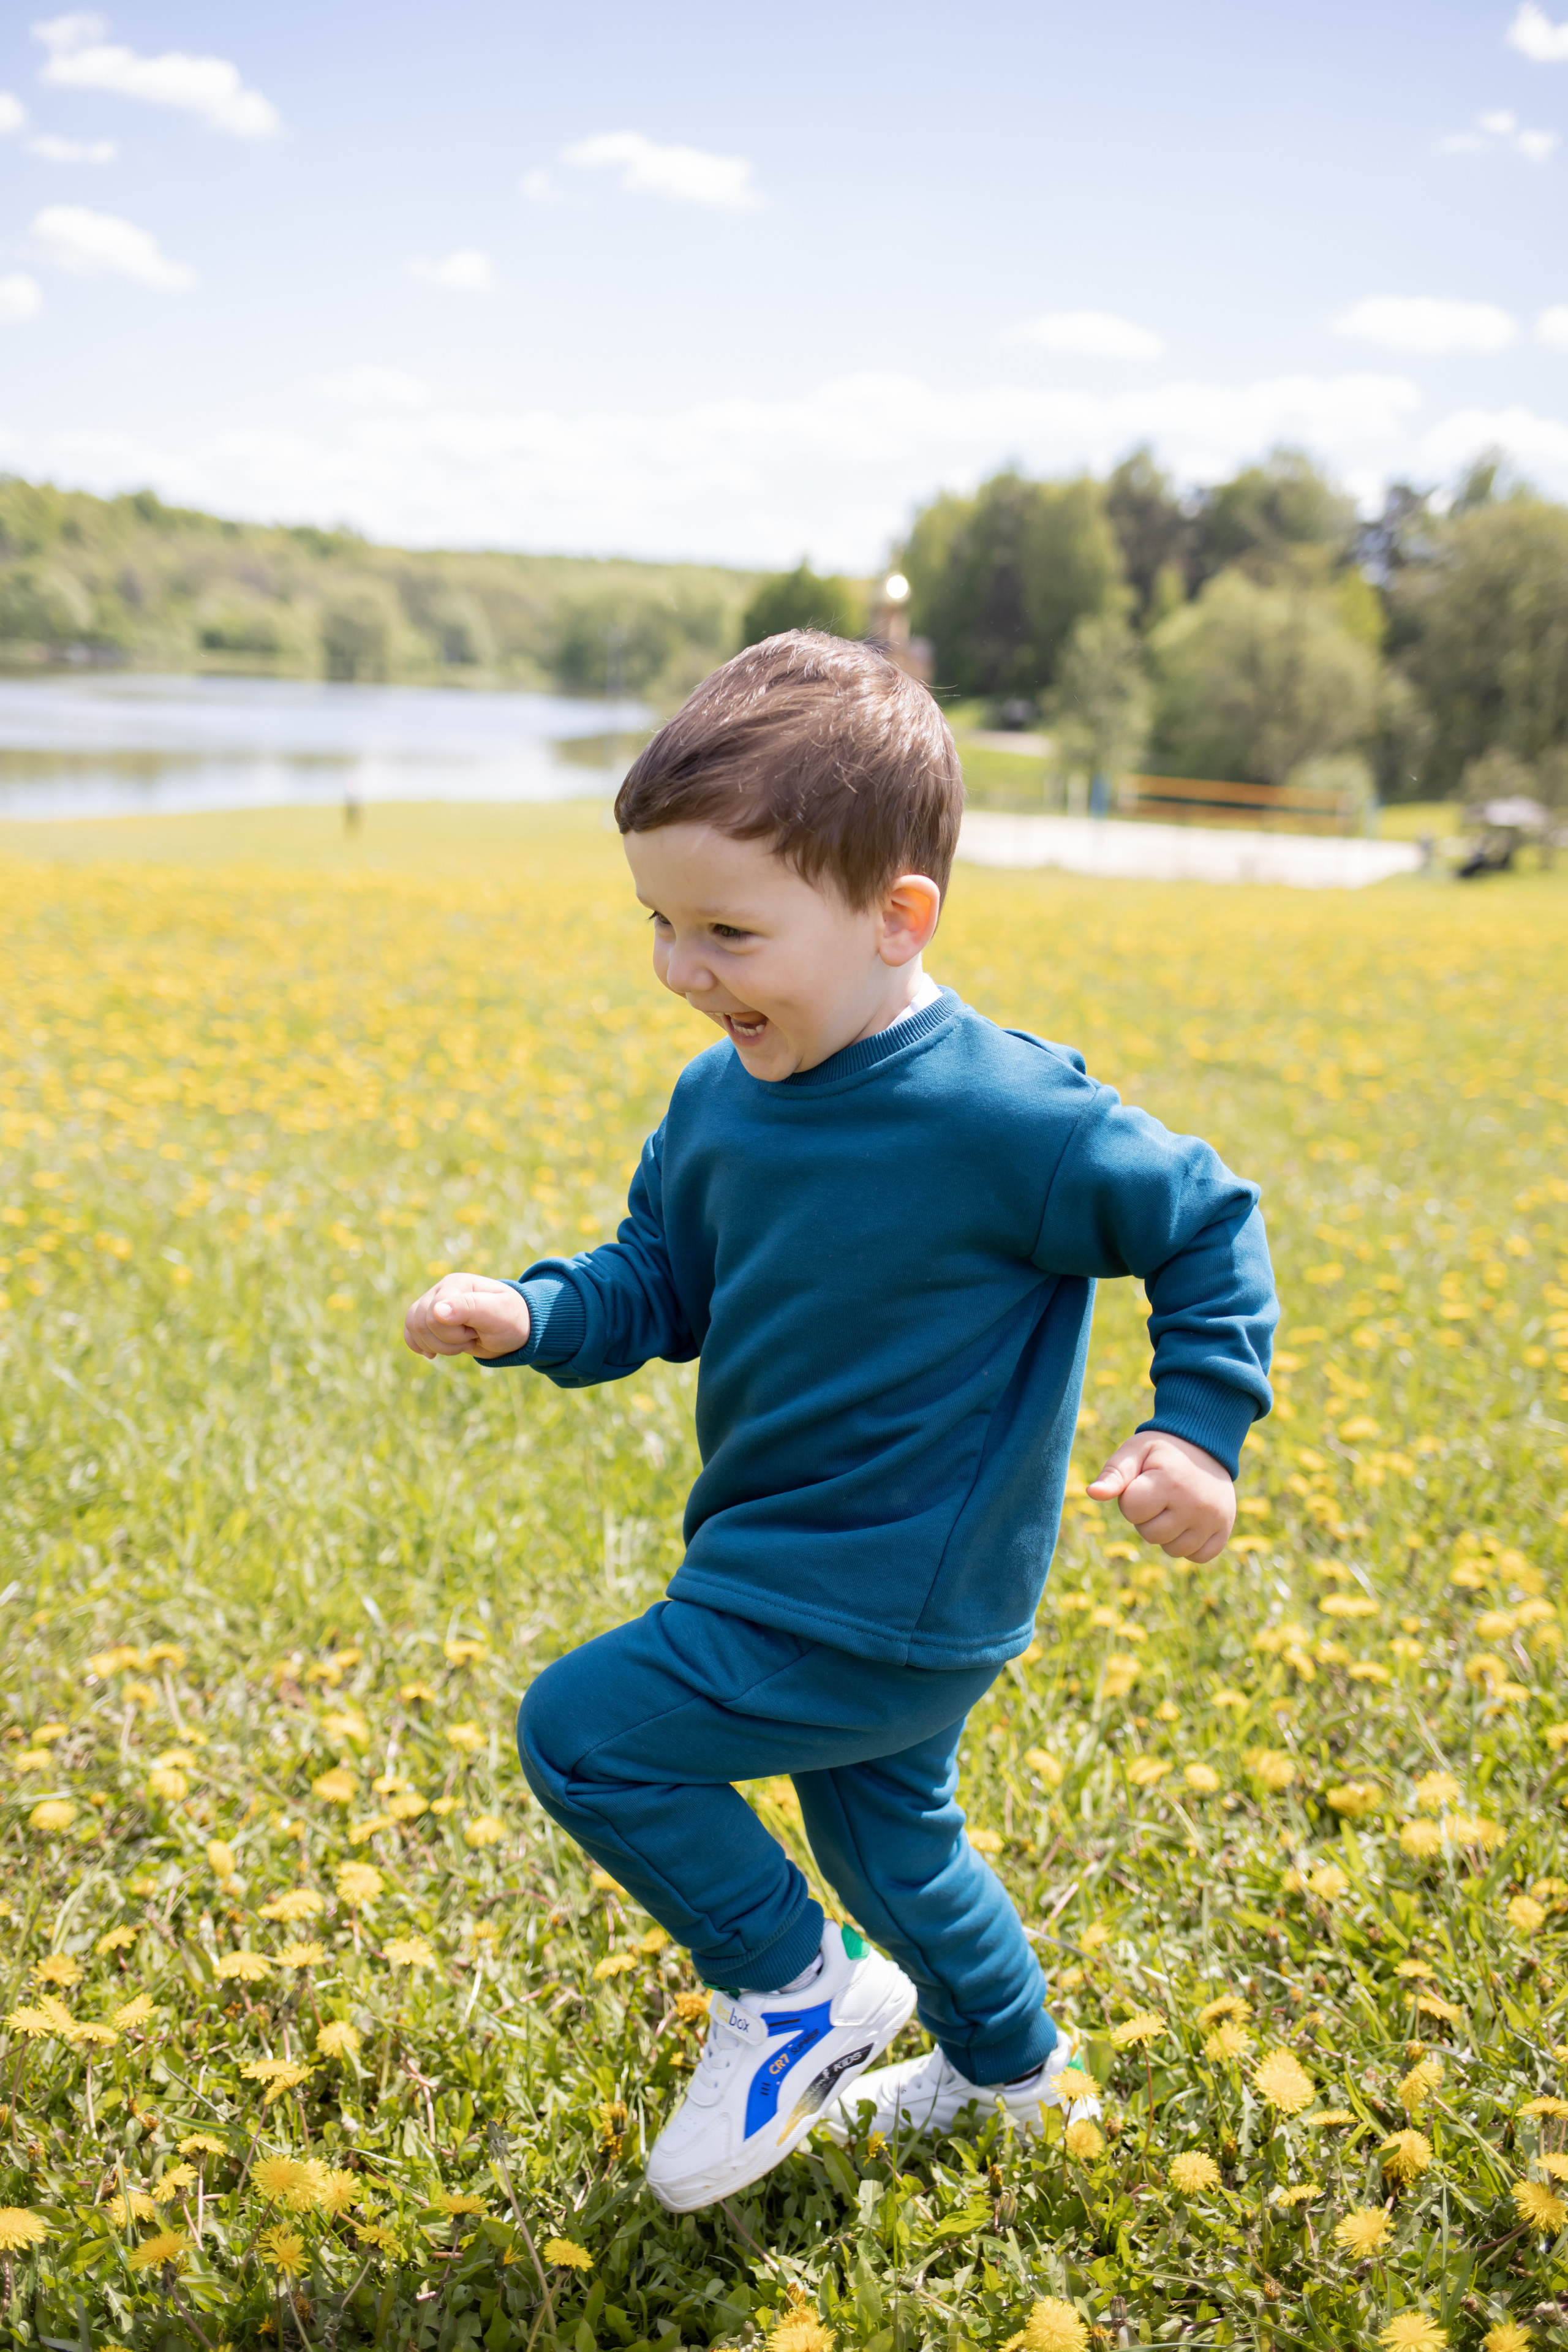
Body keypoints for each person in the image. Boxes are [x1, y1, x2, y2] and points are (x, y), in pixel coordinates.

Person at [402, 631, 1276, 2214]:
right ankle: (1017, 2081)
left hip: (888, 1591)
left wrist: (1200, 1430)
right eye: (660, 925)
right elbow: (658, 1283)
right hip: (792, 1558)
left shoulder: (1010, 1116)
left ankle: (797, 1988)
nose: (683, 968)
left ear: (897, 917)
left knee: (587, 1733)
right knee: (895, 1851)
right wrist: (534, 1314)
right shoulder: (716, 1102)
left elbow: (1207, 1221)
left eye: (729, 929)